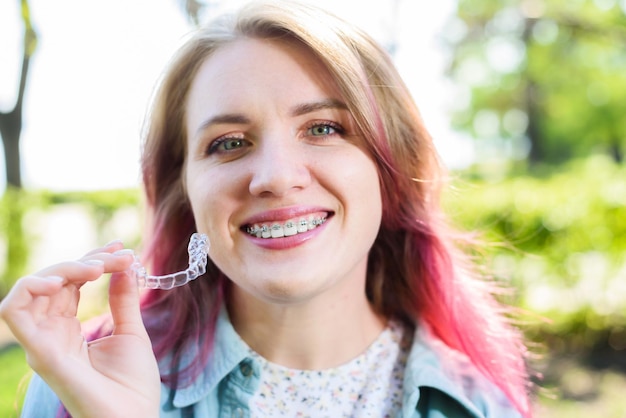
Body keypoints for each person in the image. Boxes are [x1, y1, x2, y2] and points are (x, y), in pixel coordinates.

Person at [0, 1, 534, 417]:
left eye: (324, 128)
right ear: (182, 189)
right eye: (228, 143)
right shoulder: (82, 383)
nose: (276, 176)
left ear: (389, 167)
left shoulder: (482, 406)